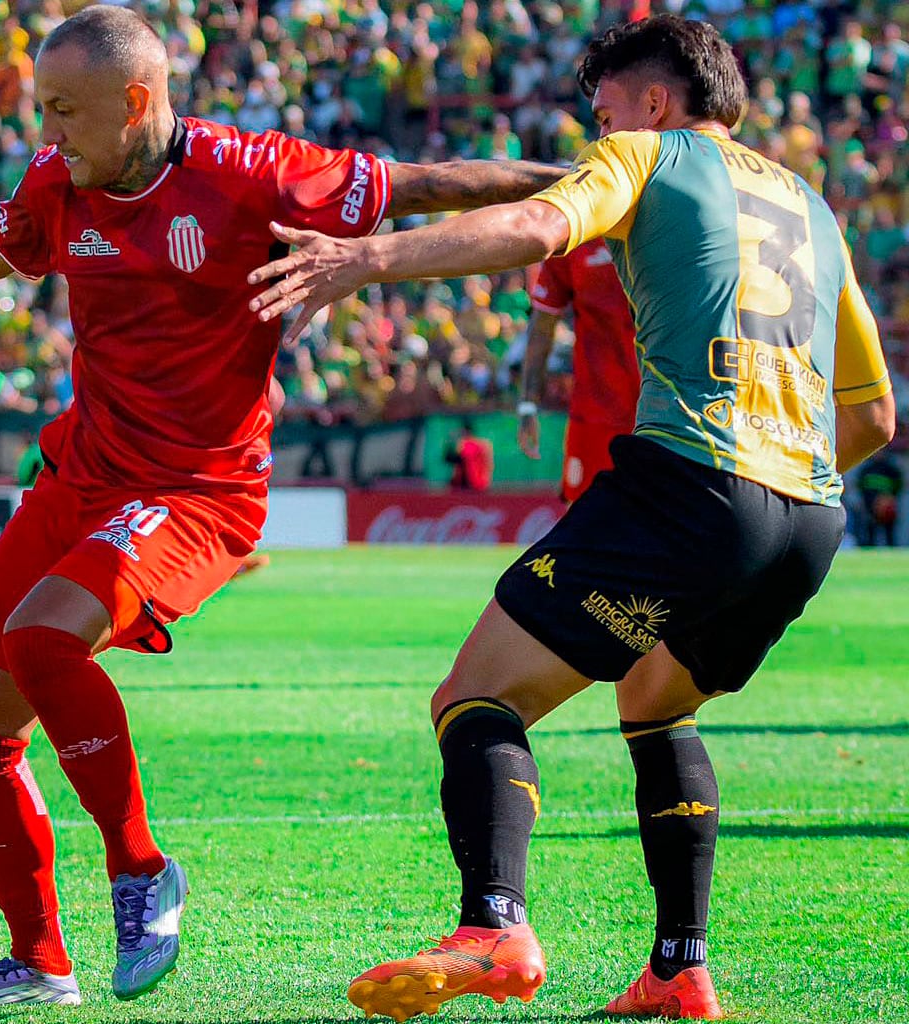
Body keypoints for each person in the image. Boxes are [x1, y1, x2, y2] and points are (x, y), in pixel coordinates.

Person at [0, 5, 563, 1010]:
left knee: (44, 639)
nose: (46, 132)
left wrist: (600, 189)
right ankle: (39, 962)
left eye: (64, 110)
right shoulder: (58, 182)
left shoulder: (253, 172)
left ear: (136, 101)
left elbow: (426, 186)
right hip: (80, 473)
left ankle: (141, 868)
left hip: (196, 491)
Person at [247, 16, 895, 1021]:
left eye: (603, 110)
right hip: (808, 516)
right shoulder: (812, 202)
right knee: (654, 699)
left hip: (692, 480)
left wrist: (370, 260)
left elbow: (538, 229)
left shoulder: (643, 152)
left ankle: (494, 924)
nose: (596, 129)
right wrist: (775, 494)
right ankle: (680, 967)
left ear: (654, 101)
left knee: (475, 697)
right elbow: (875, 414)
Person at [519, 237, 640, 501]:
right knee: (581, 519)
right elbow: (541, 327)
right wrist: (528, 404)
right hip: (595, 413)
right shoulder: (573, 239)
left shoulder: (661, 223)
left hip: (662, 413)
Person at [445, 418, 493, 491]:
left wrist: (450, 440)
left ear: (465, 432)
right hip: (482, 481)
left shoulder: (466, 444)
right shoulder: (483, 443)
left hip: (471, 482)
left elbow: (450, 458)